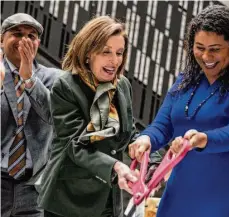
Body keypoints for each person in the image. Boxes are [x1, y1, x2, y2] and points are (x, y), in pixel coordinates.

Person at [128, 5, 229, 217]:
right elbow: (163, 126)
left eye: (215, 49)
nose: (206, 56)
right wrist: (146, 140)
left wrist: (202, 139)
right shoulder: (185, 82)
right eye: (199, 47)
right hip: (178, 201)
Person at [37, 15, 157, 217]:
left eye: (119, 53)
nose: (115, 60)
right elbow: (74, 145)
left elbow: (127, 134)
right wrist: (116, 167)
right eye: (106, 52)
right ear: (87, 53)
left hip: (109, 198)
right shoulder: (65, 86)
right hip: (69, 199)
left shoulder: (122, 86)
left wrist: (148, 154)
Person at [1, 13, 59, 217]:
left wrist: (29, 78)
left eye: (31, 36)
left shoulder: (54, 78)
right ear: (1, 39)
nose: (24, 40)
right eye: (17, 33)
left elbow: (55, 116)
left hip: (32, 186)